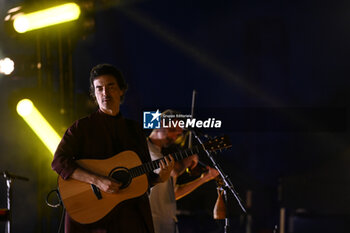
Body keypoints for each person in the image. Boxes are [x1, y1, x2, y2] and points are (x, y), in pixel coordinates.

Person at [51, 64, 174, 233]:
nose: (105, 93)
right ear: (94, 94)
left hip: (129, 218)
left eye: (110, 87)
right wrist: (97, 180)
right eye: (99, 88)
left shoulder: (135, 130)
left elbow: (141, 178)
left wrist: (160, 177)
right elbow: (59, 162)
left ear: (121, 90)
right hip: (92, 218)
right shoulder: (82, 127)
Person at [147, 110, 220, 233]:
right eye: (171, 130)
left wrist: (204, 179)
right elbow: (173, 171)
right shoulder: (146, 148)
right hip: (150, 222)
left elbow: (173, 193)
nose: (174, 137)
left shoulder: (163, 153)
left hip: (167, 222)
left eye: (178, 134)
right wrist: (188, 160)